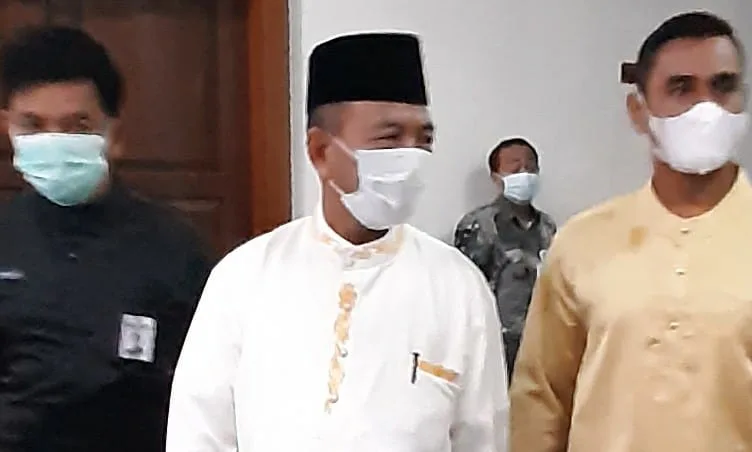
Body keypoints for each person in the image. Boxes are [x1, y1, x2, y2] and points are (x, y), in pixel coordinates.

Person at [166, 32, 509, 451]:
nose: (412, 157)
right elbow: (199, 432)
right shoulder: (244, 278)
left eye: (424, 140)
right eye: (389, 139)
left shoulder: (458, 286)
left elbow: (483, 437)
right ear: (321, 152)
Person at [510, 11, 751, 452]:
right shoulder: (583, 242)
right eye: (681, 88)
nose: (706, 108)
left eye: (723, 86)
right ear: (639, 111)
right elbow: (541, 400)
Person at [0, 26, 212, 452]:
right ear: (8, 128)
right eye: (33, 125)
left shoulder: (174, 247)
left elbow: (208, 389)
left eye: (76, 125)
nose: (54, 141)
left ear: (114, 134)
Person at [454, 137, 555, 382]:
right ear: (496, 177)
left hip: (540, 344)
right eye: (515, 166)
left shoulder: (547, 226)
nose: (524, 172)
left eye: (530, 166)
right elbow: (465, 292)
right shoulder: (479, 225)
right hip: (495, 348)